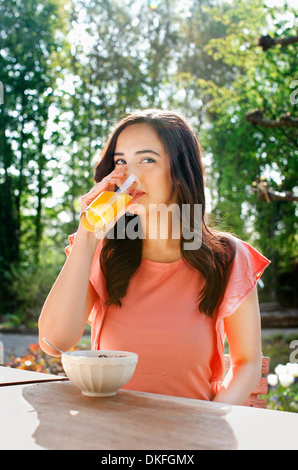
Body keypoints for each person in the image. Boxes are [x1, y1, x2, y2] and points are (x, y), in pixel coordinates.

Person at [38, 109, 271, 405]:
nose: (129, 174)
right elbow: (53, 343)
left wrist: (211, 421)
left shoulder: (227, 257)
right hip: (111, 435)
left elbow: (247, 363)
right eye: (121, 161)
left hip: (192, 436)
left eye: (147, 160)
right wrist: (86, 234)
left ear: (180, 169)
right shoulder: (104, 251)